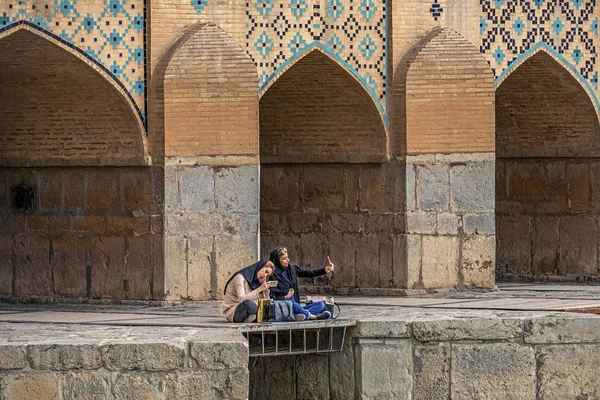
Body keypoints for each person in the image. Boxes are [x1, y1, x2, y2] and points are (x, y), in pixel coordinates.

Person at [268, 247, 335, 320]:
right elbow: (271, 299)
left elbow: (308, 273)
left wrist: (325, 270)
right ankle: (313, 316)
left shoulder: (292, 269)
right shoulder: (272, 276)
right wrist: (285, 297)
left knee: (321, 305)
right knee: (291, 302)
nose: (288, 260)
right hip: (285, 306)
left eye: (287, 257)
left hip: (296, 306)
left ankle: (298, 315)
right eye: (284, 259)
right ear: (277, 261)